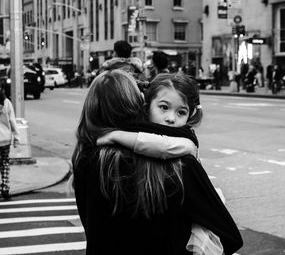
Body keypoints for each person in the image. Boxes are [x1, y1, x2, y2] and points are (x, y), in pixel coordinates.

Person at [72, 71, 242, 254]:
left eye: (181, 112)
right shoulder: (180, 166)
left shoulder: (85, 160)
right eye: (163, 107)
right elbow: (229, 237)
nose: (170, 118)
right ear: (141, 107)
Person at [0, 90, 20, 199]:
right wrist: (16, 138)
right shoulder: (7, 103)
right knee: (5, 163)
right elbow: (13, 121)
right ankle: (5, 188)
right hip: (5, 140)